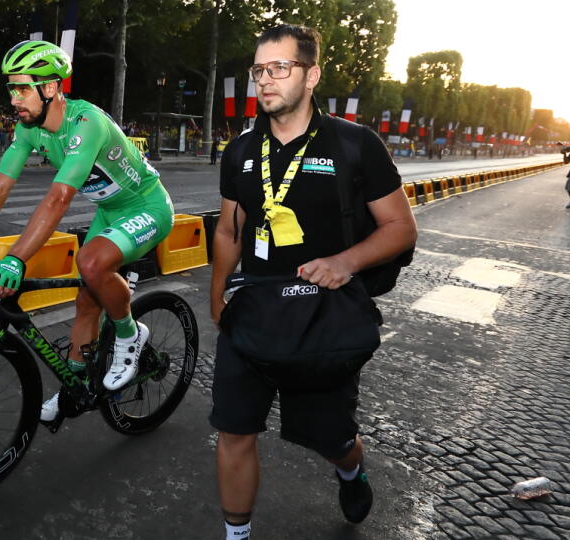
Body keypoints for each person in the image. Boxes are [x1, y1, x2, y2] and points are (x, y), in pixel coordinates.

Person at [208, 24, 417, 539]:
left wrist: (345, 261)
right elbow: (230, 231)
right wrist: (217, 297)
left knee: (329, 437)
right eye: (259, 70)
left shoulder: (354, 145)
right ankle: (237, 535)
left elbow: (400, 228)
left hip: (324, 314)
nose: (265, 80)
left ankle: (350, 468)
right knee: (233, 432)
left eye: (280, 68)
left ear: (312, 74)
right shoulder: (239, 150)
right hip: (255, 308)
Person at [0, 40, 175, 420]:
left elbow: (59, 199)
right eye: (11, 89)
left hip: (148, 206)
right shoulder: (29, 128)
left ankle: (130, 334)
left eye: (22, 88)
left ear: (51, 88)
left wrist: (15, 259)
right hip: (110, 212)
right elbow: (0, 186)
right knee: (85, 300)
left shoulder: (85, 123)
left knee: (91, 263)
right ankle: (75, 389)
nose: (14, 98)